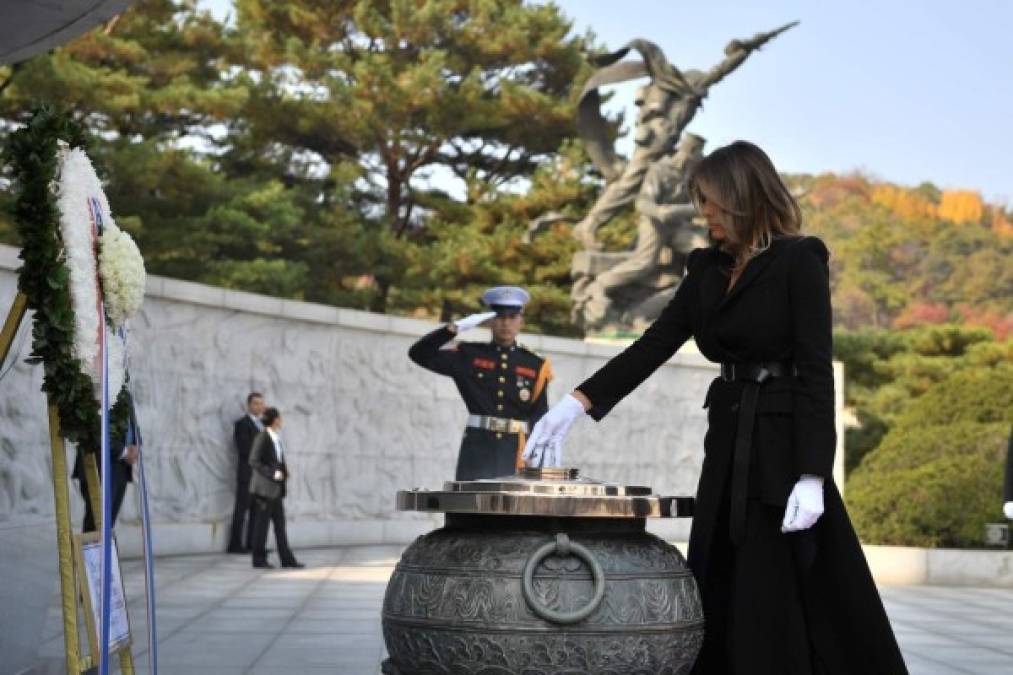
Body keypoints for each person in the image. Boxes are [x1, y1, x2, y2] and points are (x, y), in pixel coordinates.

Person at [523, 141, 908, 674]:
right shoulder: (704, 268)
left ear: (743, 196)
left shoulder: (800, 259)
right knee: (718, 575)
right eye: (699, 202)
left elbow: (817, 371)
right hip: (727, 442)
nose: (704, 214)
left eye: (710, 201)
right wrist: (577, 403)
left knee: (785, 590)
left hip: (782, 449)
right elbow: (654, 344)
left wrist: (813, 474)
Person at [409, 286, 552, 479]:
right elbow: (419, 354)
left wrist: (535, 455)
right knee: (469, 505)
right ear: (490, 321)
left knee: (512, 507)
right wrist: (453, 328)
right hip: (478, 446)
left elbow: (539, 414)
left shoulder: (535, 364)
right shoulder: (468, 355)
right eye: (500, 317)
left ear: (521, 321)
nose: (506, 323)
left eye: (512, 317)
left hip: (516, 449)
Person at [74, 391, 139, 532]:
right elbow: (95, 430)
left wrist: (135, 446)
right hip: (98, 466)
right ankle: (92, 554)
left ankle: (101, 554)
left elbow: (132, 426)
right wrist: (124, 452)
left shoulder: (125, 393)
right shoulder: (94, 386)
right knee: (96, 524)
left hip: (121, 467)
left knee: (108, 525)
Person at [248, 407, 303, 569]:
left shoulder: (275, 437)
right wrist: (273, 473)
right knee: (262, 527)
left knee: (280, 526)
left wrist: (284, 471)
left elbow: (277, 460)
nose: (281, 419)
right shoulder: (262, 437)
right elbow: (254, 461)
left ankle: (287, 559)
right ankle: (258, 559)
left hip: (276, 490)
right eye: (279, 417)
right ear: (275, 419)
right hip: (264, 491)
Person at [227, 392, 265, 554]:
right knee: (241, 511)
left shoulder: (264, 425)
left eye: (261, 404)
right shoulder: (242, 424)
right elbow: (244, 448)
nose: (259, 406)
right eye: (255, 403)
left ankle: (252, 544)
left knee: (257, 513)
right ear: (249, 405)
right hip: (247, 474)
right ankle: (235, 545)